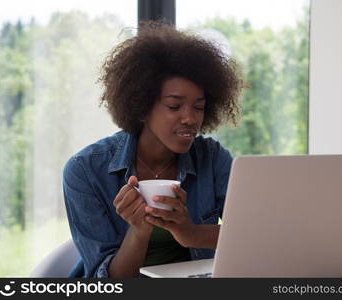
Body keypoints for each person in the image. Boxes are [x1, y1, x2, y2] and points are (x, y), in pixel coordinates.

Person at [63, 21, 243, 278]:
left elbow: (252, 235)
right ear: (142, 105)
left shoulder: (212, 158)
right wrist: (139, 230)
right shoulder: (85, 170)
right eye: (174, 106)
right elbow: (111, 281)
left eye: (199, 107)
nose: (190, 119)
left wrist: (189, 233)